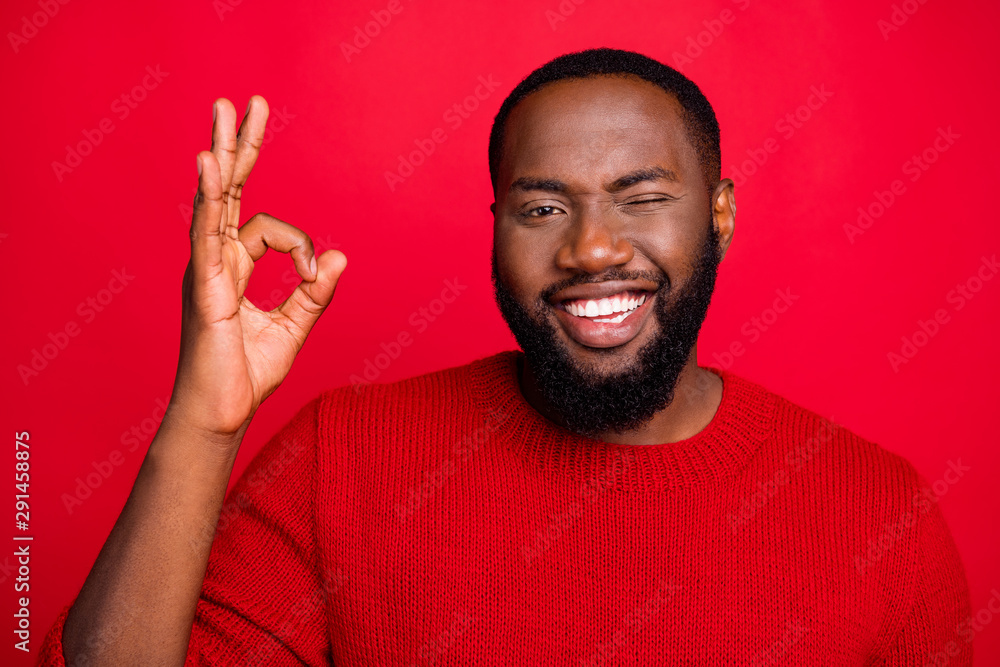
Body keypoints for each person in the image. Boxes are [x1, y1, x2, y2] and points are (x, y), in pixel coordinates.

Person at [38, 47, 972, 665]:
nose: (593, 250)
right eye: (543, 208)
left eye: (641, 197)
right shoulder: (347, 461)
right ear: (496, 228)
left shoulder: (874, 515)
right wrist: (205, 420)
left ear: (719, 215)